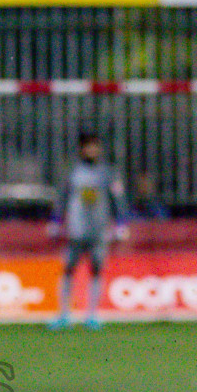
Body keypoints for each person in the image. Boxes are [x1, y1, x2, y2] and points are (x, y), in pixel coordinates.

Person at [48, 133, 124, 331]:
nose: (92, 150)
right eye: (88, 147)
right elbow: (62, 197)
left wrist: (120, 223)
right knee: (68, 269)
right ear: (81, 149)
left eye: (94, 146)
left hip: (99, 230)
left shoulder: (107, 172)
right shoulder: (72, 171)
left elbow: (116, 199)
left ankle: (92, 315)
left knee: (97, 270)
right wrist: (56, 221)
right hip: (76, 230)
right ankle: (64, 315)